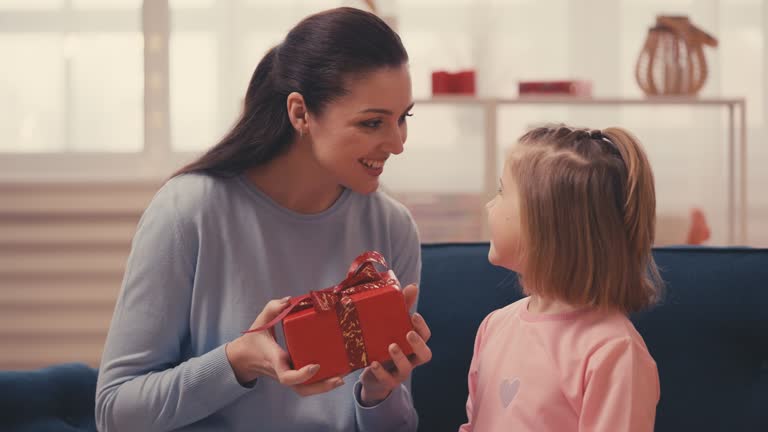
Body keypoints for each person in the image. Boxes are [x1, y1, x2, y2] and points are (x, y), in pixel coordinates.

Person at [95, 7, 432, 432]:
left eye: (404, 118)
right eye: (372, 122)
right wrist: (238, 362)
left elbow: (398, 425)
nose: (398, 144)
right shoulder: (188, 212)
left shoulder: (393, 227)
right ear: (300, 113)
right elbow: (115, 412)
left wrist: (378, 393)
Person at [459, 125, 662, 431]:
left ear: (546, 224)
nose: (490, 204)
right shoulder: (494, 327)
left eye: (502, 191)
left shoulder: (614, 351)